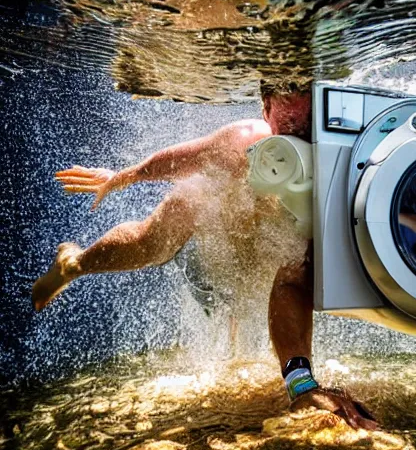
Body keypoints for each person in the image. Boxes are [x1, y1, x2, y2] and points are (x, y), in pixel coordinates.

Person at [33, 87, 377, 430]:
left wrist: (304, 387)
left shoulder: (332, 162)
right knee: (153, 241)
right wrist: (122, 177)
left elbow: (291, 281)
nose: (298, 125)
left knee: (288, 268)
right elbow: (178, 160)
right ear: (266, 109)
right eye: (287, 118)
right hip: (211, 210)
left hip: (260, 238)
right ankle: (73, 264)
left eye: (306, 120)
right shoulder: (245, 139)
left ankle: (298, 382)